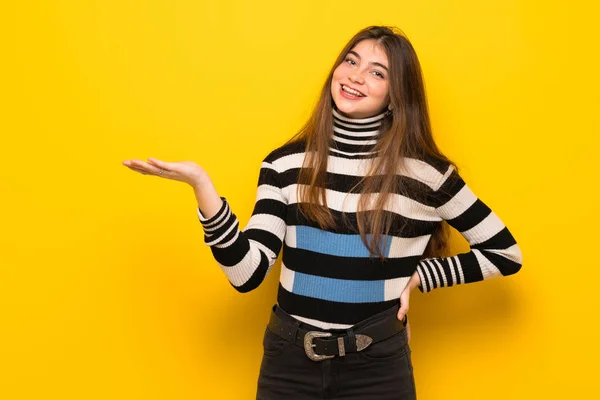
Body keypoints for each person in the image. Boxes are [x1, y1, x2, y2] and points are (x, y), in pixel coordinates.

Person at [123, 25, 523, 400]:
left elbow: (505, 254)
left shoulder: (426, 175)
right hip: (289, 361)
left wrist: (420, 276)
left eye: (377, 72)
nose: (355, 76)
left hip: (378, 366)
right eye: (350, 61)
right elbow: (247, 275)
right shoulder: (285, 165)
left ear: (397, 94)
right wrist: (202, 188)